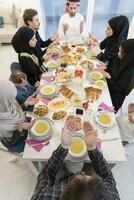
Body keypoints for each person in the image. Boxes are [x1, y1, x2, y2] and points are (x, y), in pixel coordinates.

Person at [31, 120, 120, 200]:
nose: (82, 172)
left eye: (76, 180)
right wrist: (92, 148)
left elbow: (47, 174)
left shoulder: (44, 196)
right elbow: (107, 177)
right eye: (89, 177)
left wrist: (64, 146)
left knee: (63, 167)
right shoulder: (110, 196)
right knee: (87, 168)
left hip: (61, 179)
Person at [0, 80, 35, 153]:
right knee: (37, 151)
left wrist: (26, 104)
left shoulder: (6, 101)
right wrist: (20, 128)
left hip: (23, 123)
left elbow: (14, 109)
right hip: (16, 142)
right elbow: (10, 142)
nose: (13, 99)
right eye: (11, 97)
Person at [107, 39, 134, 112]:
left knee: (102, 115)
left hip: (114, 99)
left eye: (120, 52)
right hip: (108, 86)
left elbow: (119, 89)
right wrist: (105, 70)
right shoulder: (122, 59)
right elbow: (112, 69)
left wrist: (108, 76)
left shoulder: (131, 72)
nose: (118, 53)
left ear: (129, 55)